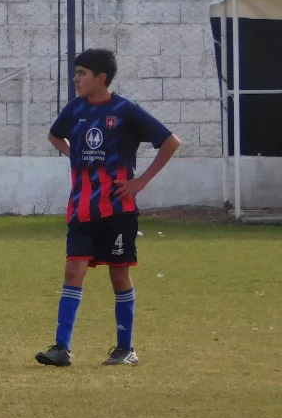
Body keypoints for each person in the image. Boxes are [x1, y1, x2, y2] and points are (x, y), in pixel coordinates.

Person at [37, 49, 181, 367]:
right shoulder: (75, 109)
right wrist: (72, 153)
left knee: (119, 275)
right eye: (76, 73)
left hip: (117, 210)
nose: (76, 79)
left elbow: (171, 142)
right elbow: (53, 134)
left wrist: (140, 181)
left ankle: (125, 348)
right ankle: (61, 348)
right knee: (73, 271)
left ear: (101, 78)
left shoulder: (125, 110)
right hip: (81, 209)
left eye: (82, 73)